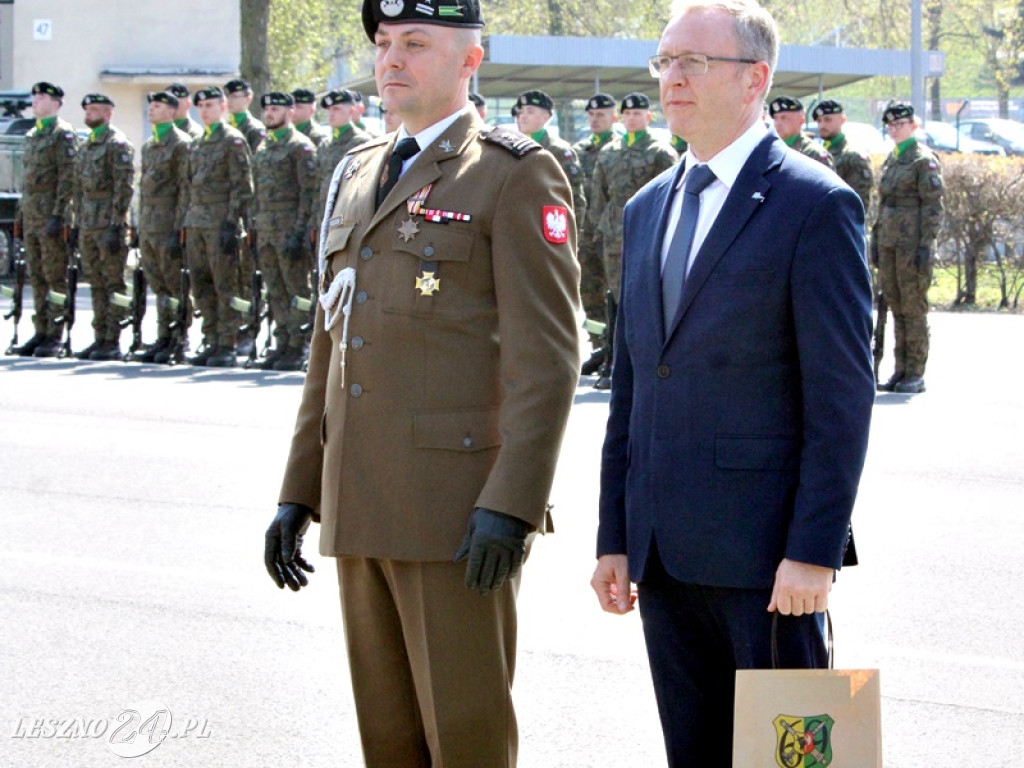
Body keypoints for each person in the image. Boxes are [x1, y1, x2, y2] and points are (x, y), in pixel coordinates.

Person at [264, 0, 581, 764]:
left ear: (471, 61)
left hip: (455, 513)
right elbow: (331, 341)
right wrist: (298, 489)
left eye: (415, 43)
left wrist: (512, 503)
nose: (391, 60)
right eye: (383, 44)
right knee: (388, 740)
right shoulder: (359, 170)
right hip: (360, 496)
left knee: (465, 738)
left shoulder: (512, 173)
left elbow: (547, 358)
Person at [590, 2, 874, 764]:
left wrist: (814, 550)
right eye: (664, 61)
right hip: (663, 558)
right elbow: (632, 388)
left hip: (769, 567)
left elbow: (841, 400)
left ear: (756, 79)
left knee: (794, 761)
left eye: (694, 62)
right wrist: (615, 535)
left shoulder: (815, 205)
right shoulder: (647, 208)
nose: (671, 78)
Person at [873, 101, 943, 394]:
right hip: (890, 244)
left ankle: (915, 371)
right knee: (895, 306)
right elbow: (884, 204)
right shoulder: (893, 158)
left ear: (913, 125)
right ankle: (900, 370)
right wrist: (876, 240)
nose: (894, 129)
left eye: (899, 124)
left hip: (912, 246)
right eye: (890, 125)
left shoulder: (922, 160)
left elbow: (933, 206)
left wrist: (926, 245)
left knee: (913, 308)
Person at [183, 86, 253, 367]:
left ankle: (227, 342)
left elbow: (242, 186)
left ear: (222, 108)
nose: (204, 111)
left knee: (225, 284)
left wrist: (231, 222)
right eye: (201, 106)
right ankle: (211, 338)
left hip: (220, 222)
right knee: (201, 284)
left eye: (210, 106)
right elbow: (189, 185)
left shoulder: (232, 140)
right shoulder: (197, 142)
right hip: (196, 222)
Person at [589, 91, 678, 301]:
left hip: (646, 232)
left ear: (648, 117)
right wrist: (597, 229)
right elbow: (599, 194)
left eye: (637, 113)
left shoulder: (661, 152)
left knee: (644, 293)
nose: (631, 118)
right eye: (627, 113)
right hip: (613, 234)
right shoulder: (608, 152)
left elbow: (669, 196)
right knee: (616, 294)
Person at [250, 91, 317, 371]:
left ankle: (299, 344)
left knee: (297, 289)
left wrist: (300, 232)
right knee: (274, 289)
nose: (269, 114)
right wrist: (254, 227)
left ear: (290, 113)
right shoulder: (263, 147)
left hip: (289, 228)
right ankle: (281, 343)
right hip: (266, 229)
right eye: (267, 110)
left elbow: (308, 193)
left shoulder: (300, 147)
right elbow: (256, 192)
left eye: (275, 110)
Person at [12, 82, 77, 358]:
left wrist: (59, 215)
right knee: (36, 275)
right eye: (35, 96)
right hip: (32, 215)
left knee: (54, 275)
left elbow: (68, 179)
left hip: (51, 214)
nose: (36, 101)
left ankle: (55, 333)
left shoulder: (62, 134)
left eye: (42, 97)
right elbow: (26, 182)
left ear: (56, 103)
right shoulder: (32, 135)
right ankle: (40, 330)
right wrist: (20, 217)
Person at [71, 93, 135, 361]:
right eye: (87, 109)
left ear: (108, 114)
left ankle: (113, 338)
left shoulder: (116, 143)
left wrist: (116, 224)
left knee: (113, 282)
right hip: (88, 222)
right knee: (95, 281)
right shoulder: (85, 146)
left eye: (95, 109)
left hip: (108, 222)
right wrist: (76, 221)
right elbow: (78, 188)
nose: (89, 113)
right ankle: (100, 337)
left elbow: (124, 187)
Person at [136, 90, 192, 364]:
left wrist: (178, 228)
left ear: (171, 112)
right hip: (149, 224)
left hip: (168, 222)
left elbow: (184, 189)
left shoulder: (181, 144)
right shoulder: (149, 145)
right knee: (158, 283)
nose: (152, 109)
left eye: (158, 106)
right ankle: (163, 335)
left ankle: (180, 335)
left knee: (174, 283)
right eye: (151, 105)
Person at [572, 92, 618, 323]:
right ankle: (596, 340)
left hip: (612, 232)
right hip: (585, 232)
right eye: (591, 115)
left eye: (601, 115)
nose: (594, 119)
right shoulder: (579, 151)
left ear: (614, 117)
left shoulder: (619, 150)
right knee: (588, 292)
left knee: (616, 291)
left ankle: (614, 338)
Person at [513, 89, 586, 218]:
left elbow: (574, 197)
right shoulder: (512, 147)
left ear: (546, 117)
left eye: (530, 112)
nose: (523, 116)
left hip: (547, 221)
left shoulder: (558, 150)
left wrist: (572, 228)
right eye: (521, 111)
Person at [313, 89, 372, 236]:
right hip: (324, 218)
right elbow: (316, 185)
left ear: (351, 111)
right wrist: (313, 223)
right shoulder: (325, 145)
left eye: (336, 109)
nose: (331, 114)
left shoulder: (362, 142)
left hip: (348, 221)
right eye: (329, 110)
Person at [813, 98, 873, 210]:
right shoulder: (817, 153)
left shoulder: (853, 156)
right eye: (819, 121)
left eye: (827, 120)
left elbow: (859, 202)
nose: (822, 125)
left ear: (842, 120)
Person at [768, 95, 833, 167]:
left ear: (801, 120)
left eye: (784, 118)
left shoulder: (815, 154)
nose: (778, 123)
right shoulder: (771, 150)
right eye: (775, 118)